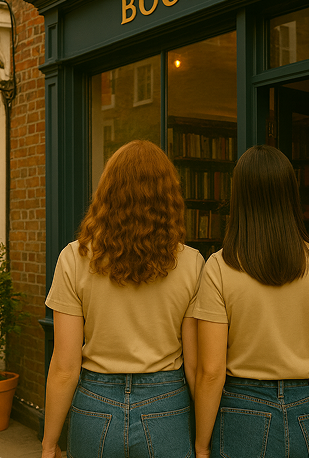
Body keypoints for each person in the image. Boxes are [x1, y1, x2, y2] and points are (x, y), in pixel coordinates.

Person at [41, 140, 204, 458]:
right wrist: (206, 440)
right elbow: (196, 367)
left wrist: (49, 445)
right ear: (168, 196)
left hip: (95, 406)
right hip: (167, 405)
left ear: (107, 192)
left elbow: (64, 366)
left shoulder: (74, 258)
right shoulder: (193, 263)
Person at [193, 144, 309, 458]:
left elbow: (211, 371)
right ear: (291, 194)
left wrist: (201, 446)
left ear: (239, 196)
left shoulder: (219, 267)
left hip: (243, 410)